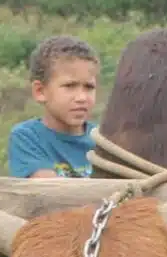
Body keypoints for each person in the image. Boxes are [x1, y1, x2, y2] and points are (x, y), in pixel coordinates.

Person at [7, 35, 100, 178]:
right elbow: (49, 191)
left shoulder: (103, 142)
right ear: (40, 91)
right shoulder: (28, 138)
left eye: (89, 87)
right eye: (70, 86)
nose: (82, 98)